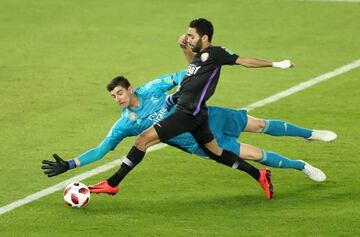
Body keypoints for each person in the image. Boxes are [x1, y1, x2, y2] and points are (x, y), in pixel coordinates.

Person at [86, 18, 299, 200]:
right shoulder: (200, 58)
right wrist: (185, 49)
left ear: (204, 37)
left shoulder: (216, 53)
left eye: (191, 35)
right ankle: (259, 175)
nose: (187, 37)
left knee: (143, 139)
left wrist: (276, 64)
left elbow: (245, 61)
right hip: (197, 115)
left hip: (186, 113)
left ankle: (113, 183)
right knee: (217, 152)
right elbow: (193, 70)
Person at [41, 70, 335, 185]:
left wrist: (189, 79)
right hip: (201, 142)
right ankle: (302, 166)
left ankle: (310, 134)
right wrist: (70, 164)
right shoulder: (124, 126)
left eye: (119, 93)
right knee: (256, 155)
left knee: (260, 124)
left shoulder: (154, 87)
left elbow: (184, 75)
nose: (117, 99)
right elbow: (102, 149)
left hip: (210, 116)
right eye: (113, 96)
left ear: (129, 89)